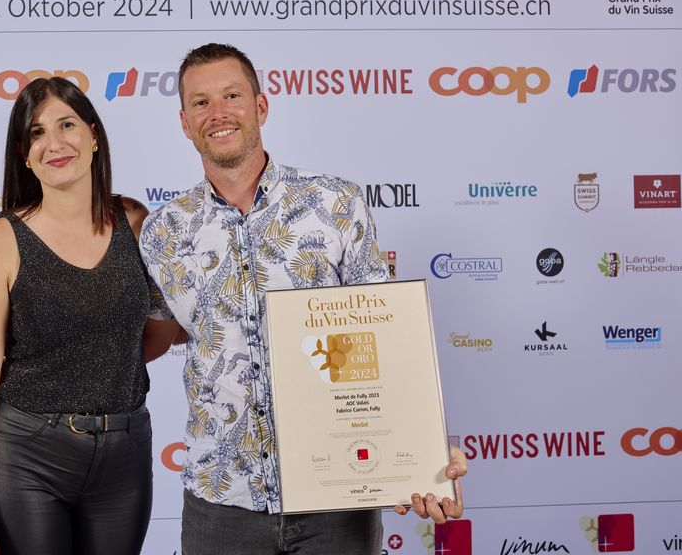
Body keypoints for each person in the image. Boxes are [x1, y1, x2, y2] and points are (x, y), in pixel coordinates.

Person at [139, 43, 467, 554]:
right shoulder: (163, 232)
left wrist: (423, 457)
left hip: (336, 497)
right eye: (201, 102)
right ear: (185, 122)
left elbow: (385, 339)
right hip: (221, 500)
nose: (218, 113)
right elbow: (153, 337)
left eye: (232, 96)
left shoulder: (335, 203)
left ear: (261, 106)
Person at [0, 77, 180, 555]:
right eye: (37, 133)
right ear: (24, 154)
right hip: (29, 457)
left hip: (125, 456)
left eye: (67, 125)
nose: (54, 143)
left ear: (94, 135)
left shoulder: (135, 223)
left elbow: (155, 337)